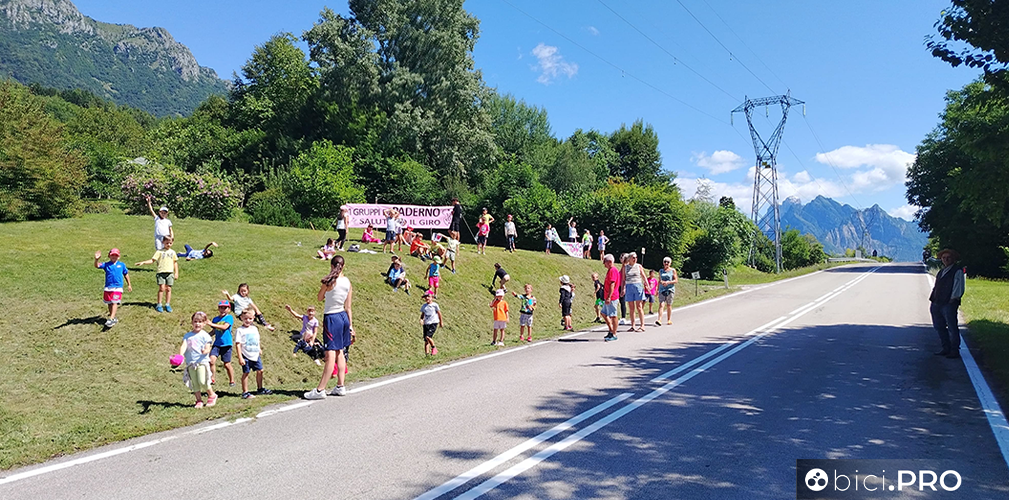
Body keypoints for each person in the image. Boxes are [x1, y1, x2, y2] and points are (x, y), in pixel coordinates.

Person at [305, 255, 355, 399]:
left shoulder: (329, 282)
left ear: (331, 266)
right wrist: (351, 325)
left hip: (332, 318)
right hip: (343, 317)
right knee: (340, 351)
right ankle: (340, 386)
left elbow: (319, 298)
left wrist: (326, 284)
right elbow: (348, 307)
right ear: (343, 266)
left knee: (330, 354)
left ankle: (320, 390)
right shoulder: (347, 282)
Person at [930, 249, 965, 359]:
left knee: (952, 327)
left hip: (949, 303)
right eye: (944, 258)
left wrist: (953, 299)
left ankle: (954, 350)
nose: (946, 260)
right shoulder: (941, 271)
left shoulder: (957, 271)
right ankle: (946, 347)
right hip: (937, 302)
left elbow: (958, 287)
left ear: (953, 259)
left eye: (948, 258)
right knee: (939, 326)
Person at [179, 311, 216, 408]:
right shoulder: (188, 335)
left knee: (202, 381)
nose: (197, 324)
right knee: (195, 383)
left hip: (201, 362)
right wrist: (181, 355)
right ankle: (199, 400)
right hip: (191, 362)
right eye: (195, 321)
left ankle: (212, 395)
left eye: (200, 322)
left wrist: (205, 351)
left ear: (204, 324)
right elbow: (184, 345)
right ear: (192, 322)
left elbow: (208, 347)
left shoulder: (205, 335)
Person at [135, 237, 178, 313]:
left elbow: (175, 263)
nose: (168, 244)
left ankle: (167, 304)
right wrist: (143, 262)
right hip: (161, 273)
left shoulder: (173, 252)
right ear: (163, 242)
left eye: (170, 243)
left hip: (170, 273)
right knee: (162, 288)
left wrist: (176, 272)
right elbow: (152, 260)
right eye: (167, 243)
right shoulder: (159, 252)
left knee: (168, 289)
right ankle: (159, 304)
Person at [235, 309, 272, 399]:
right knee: (246, 372)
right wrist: (240, 357)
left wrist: (259, 348)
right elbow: (238, 344)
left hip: (255, 354)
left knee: (260, 370)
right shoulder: (240, 330)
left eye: (250, 319)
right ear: (241, 318)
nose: (248, 320)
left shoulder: (255, 329)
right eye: (245, 318)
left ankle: (260, 388)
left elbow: (257, 339)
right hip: (246, 354)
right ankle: (245, 392)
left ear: (253, 318)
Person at [94, 248, 132, 327]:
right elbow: (97, 266)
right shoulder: (106, 264)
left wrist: (129, 284)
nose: (114, 257)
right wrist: (96, 260)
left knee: (115, 302)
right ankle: (113, 317)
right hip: (108, 287)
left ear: (119, 256)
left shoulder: (122, 265)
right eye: (112, 255)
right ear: (109, 256)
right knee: (110, 303)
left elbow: (126, 274)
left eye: (116, 255)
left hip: (118, 287)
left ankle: (111, 318)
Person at [208, 300, 236, 387]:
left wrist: (211, 324)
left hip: (226, 344)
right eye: (221, 307)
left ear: (229, 309)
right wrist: (206, 336)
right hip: (217, 344)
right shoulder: (215, 319)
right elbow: (214, 331)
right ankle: (212, 378)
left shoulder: (229, 317)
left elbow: (224, 327)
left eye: (225, 308)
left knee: (227, 364)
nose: (223, 309)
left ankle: (232, 380)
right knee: (211, 361)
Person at [623, 252, 647, 332]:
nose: (635, 259)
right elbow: (623, 279)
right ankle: (633, 325)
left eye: (636, 257)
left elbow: (643, 276)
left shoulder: (638, 266)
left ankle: (642, 325)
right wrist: (623, 288)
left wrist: (646, 284)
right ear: (629, 258)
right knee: (631, 307)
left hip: (638, 286)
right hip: (629, 286)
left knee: (639, 306)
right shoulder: (625, 267)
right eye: (633, 257)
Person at [602, 254, 620, 341]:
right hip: (607, 296)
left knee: (613, 315)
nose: (603, 264)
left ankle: (614, 333)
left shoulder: (613, 270)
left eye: (604, 262)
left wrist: (609, 296)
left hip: (612, 297)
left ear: (609, 262)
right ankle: (611, 330)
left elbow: (612, 284)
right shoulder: (610, 270)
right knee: (603, 313)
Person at [656, 257, 679, 326]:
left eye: (668, 262)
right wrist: (658, 289)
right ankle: (659, 319)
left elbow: (676, 280)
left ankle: (669, 319)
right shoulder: (661, 271)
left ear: (670, 263)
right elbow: (659, 280)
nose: (666, 263)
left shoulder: (673, 270)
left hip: (670, 289)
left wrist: (668, 282)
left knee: (669, 304)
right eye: (665, 262)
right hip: (662, 289)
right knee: (661, 304)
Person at [420, 290, 443, 356]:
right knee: (426, 340)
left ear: (432, 297)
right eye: (425, 297)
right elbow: (422, 315)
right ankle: (427, 354)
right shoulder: (424, 306)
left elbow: (439, 313)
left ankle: (434, 347)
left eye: (428, 296)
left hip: (433, 322)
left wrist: (441, 322)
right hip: (426, 323)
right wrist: (421, 319)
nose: (427, 298)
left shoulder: (435, 305)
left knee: (428, 336)